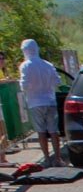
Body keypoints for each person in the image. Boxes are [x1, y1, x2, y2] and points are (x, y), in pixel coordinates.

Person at [18, 39, 62, 167]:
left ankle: (47, 159)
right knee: (54, 131)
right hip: (50, 101)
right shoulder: (47, 64)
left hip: (35, 102)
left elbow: (24, 85)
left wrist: (32, 87)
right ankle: (57, 158)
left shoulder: (25, 65)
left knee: (41, 131)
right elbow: (57, 81)